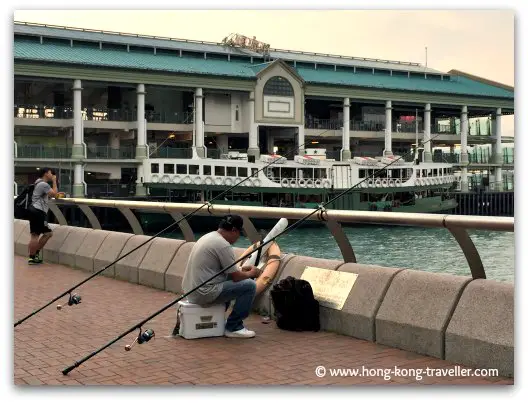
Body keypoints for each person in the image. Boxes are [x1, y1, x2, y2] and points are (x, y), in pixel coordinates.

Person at [181, 214, 261, 338]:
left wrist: (240, 269)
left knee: (230, 284)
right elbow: (236, 277)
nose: (238, 237)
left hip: (191, 291)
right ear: (234, 230)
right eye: (239, 233)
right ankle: (234, 327)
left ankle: (219, 321)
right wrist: (252, 273)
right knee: (249, 286)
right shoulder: (223, 245)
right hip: (203, 293)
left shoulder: (208, 237)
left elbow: (224, 271)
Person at [27, 168, 59, 264]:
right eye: (50, 173)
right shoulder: (43, 184)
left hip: (34, 210)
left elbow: (48, 194)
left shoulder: (38, 183)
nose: (52, 174)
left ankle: (33, 256)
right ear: (45, 174)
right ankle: (32, 257)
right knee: (45, 234)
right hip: (38, 211)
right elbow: (54, 194)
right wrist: (54, 181)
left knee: (35, 235)